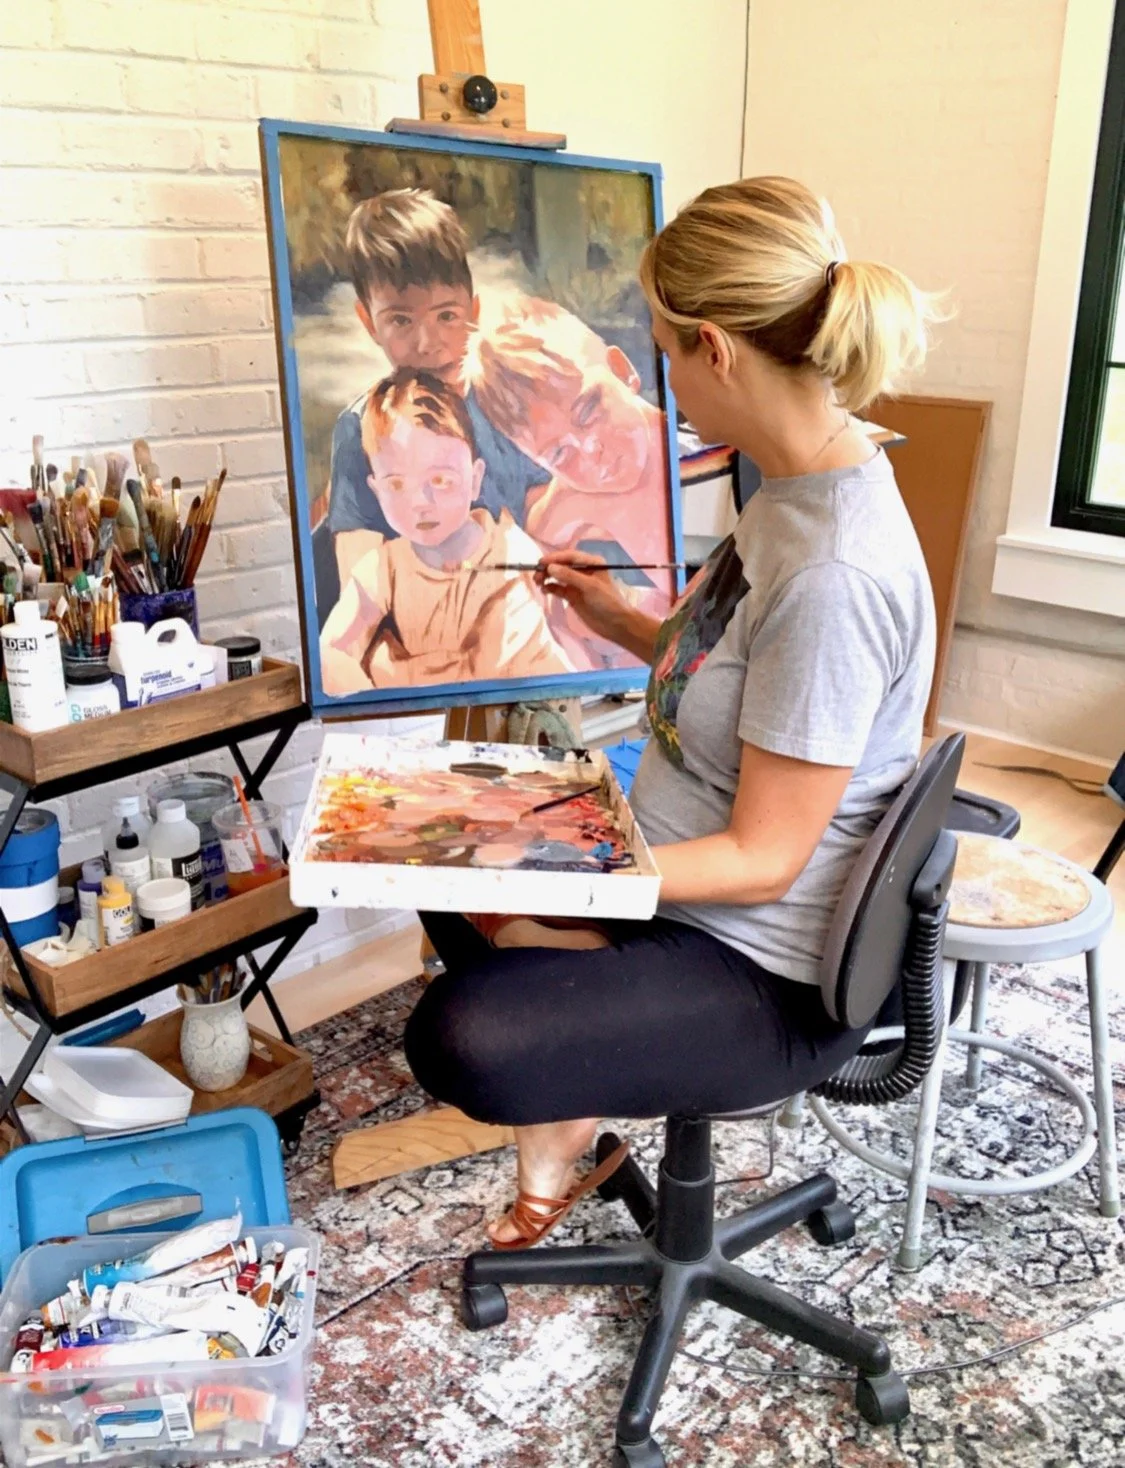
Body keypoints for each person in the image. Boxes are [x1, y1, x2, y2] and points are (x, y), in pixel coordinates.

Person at [403, 175, 939, 1248]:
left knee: (460, 1036)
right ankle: (573, 1080)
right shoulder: (791, 486)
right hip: (684, 882)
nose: (664, 383)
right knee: (428, 848)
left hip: (760, 966)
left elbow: (764, 861)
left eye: (662, 352)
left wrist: (573, 867)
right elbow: (742, 676)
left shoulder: (832, 572)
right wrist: (625, 620)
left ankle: (572, 1080)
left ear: (715, 350)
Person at [327, 189, 550, 592]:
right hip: (419, 617)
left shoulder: (511, 402)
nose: (428, 343)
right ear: (369, 322)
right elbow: (358, 581)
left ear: (474, 311)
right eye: (401, 320)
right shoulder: (359, 428)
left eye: (447, 315)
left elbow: (550, 527)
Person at [319, 369, 571, 695]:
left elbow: (492, 677)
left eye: (440, 480)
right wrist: (374, 698)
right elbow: (331, 651)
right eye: (396, 485)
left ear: (475, 479)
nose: (420, 503)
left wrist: (393, 672)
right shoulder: (384, 568)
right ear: (376, 491)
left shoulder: (510, 553)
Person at [472, 299, 673, 668]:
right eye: (559, 453)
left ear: (622, 370)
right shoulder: (568, 502)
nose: (590, 449)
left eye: (588, 410)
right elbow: (539, 563)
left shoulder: (698, 453)